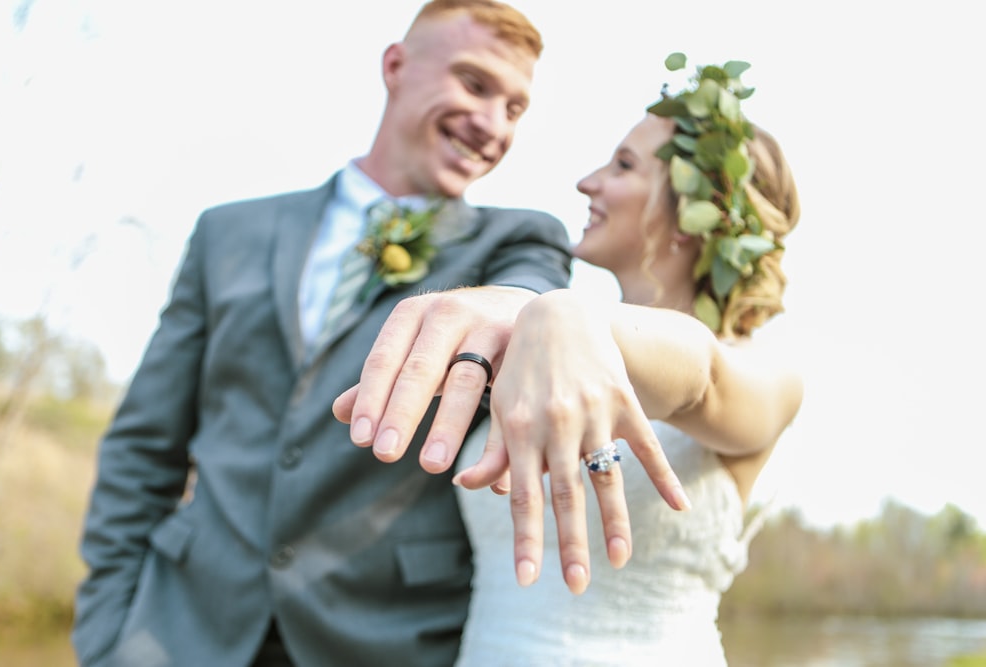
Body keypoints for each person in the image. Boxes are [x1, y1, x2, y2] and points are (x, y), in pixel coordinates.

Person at [72, 2, 580, 666]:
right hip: (175, 630)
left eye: (516, 109)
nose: (492, 124)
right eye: (475, 84)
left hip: (386, 638)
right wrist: (107, 630)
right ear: (395, 66)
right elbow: (145, 444)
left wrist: (517, 305)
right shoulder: (229, 231)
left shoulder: (517, 239)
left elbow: (531, 294)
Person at [449, 54, 804, 665]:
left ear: (695, 217)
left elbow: (702, 377)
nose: (588, 182)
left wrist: (570, 314)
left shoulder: (770, 378)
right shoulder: (537, 354)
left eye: (623, 165)